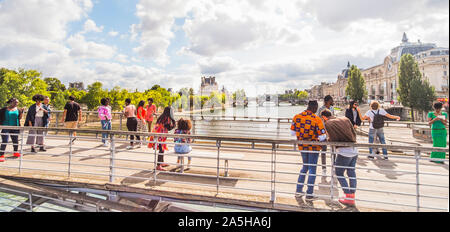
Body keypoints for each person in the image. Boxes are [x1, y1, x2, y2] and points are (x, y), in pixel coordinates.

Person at [321, 109, 358, 206]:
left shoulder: (328, 123)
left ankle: (348, 196)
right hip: (354, 150)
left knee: (339, 172)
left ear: (324, 117)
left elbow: (332, 139)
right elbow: (354, 133)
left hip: (344, 152)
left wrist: (326, 140)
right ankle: (352, 196)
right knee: (351, 172)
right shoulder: (345, 119)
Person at [291, 100, 327, 200]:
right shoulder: (316, 119)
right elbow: (323, 136)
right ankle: (309, 194)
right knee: (312, 169)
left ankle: (298, 190)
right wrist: (314, 137)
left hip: (302, 146)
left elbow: (292, 133)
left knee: (304, 167)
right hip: (313, 147)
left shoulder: (296, 117)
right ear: (315, 107)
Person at [148, 107, 176, 171]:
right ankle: (158, 166)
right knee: (161, 149)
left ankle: (161, 162)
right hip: (160, 135)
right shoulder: (167, 118)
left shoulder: (162, 116)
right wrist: (174, 124)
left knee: (162, 148)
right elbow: (169, 128)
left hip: (157, 133)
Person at [316, 95, 334, 182]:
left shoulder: (332, 108)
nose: (332, 101)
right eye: (331, 100)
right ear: (327, 101)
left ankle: (333, 167)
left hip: (331, 131)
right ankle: (324, 169)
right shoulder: (320, 109)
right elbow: (317, 120)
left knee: (333, 150)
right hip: (323, 132)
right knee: (323, 151)